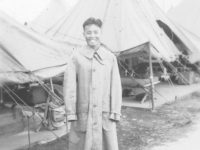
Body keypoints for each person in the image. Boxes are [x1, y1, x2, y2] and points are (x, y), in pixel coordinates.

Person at [64, 17, 122, 150]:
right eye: (88, 32)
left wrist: (115, 111)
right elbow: (69, 88)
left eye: (96, 32)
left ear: (101, 33)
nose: (92, 36)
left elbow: (116, 87)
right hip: (83, 115)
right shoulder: (76, 58)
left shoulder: (110, 58)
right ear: (83, 34)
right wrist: (71, 112)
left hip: (105, 114)